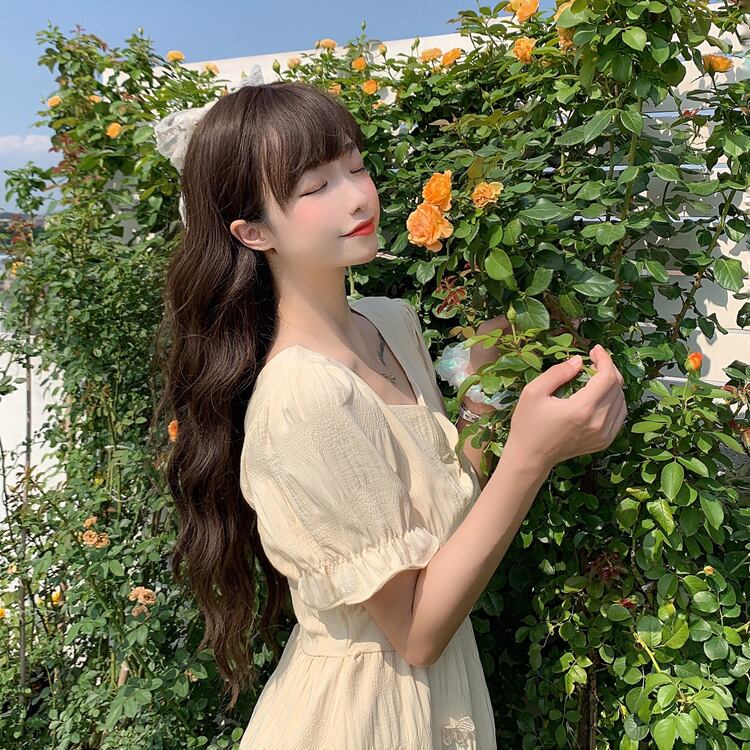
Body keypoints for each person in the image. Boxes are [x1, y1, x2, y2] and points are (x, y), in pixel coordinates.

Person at [156, 73, 627, 749]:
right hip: (363, 716)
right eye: (316, 187)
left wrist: (485, 385)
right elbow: (415, 631)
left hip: (437, 698)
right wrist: (531, 456)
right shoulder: (302, 397)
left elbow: (446, 514)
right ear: (253, 231)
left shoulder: (390, 322)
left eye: (356, 166)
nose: (357, 197)